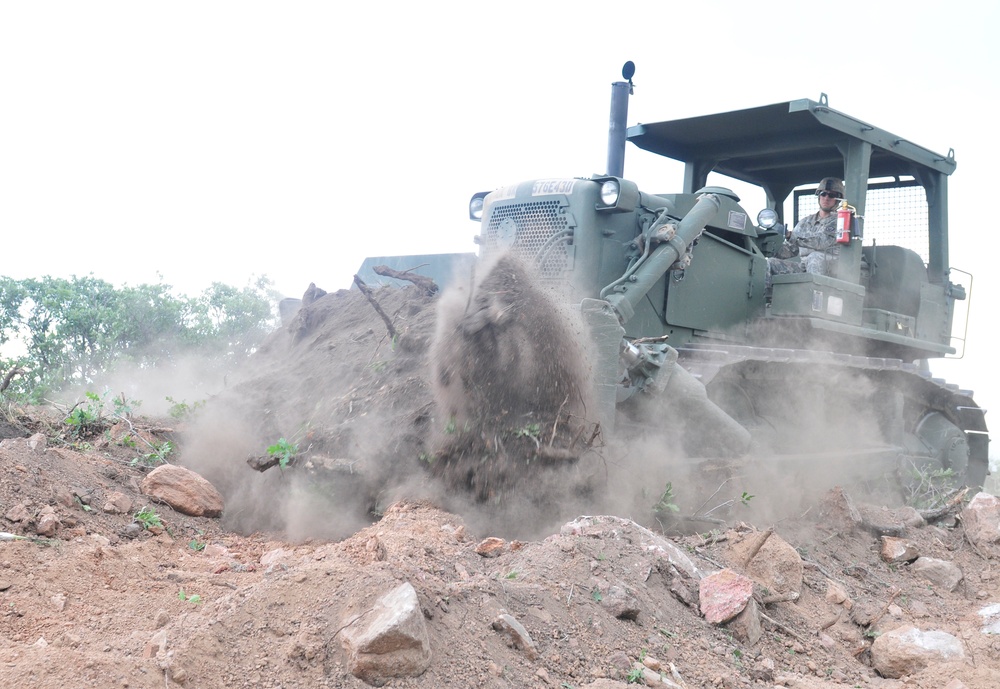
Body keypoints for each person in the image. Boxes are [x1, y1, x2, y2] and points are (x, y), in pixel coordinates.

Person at [768, 177, 845, 279]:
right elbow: (791, 249)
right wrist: (768, 247)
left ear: (838, 199)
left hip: (830, 270)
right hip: (804, 267)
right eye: (823, 194)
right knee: (769, 263)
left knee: (815, 257)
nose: (826, 198)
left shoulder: (840, 221)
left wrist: (790, 235)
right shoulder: (805, 222)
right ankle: (764, 294)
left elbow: (821, 242)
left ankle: (815, 294)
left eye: (832, 195)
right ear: (819, 196)